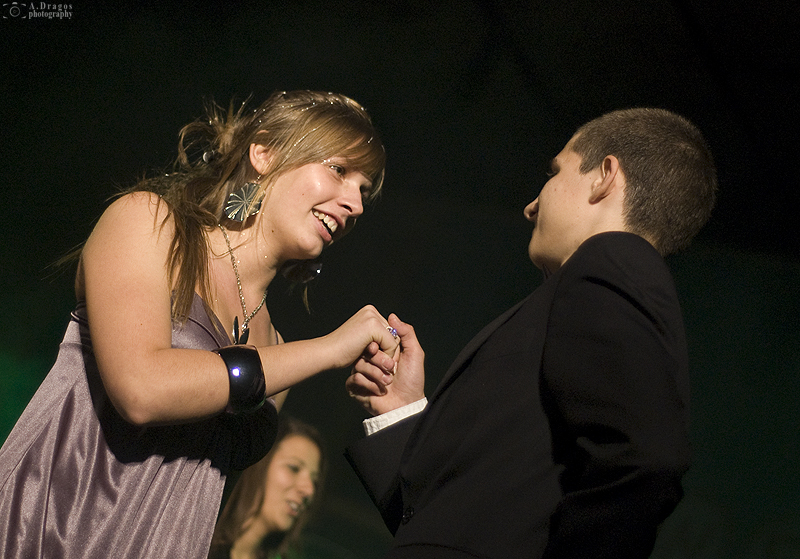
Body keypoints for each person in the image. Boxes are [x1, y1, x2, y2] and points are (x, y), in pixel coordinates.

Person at [0, 90, 398, 559]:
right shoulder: (149, 223)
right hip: (49, 537)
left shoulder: (275, 346)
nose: (355, 203)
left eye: (364, 191)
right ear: (264, 153)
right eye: (339, 170)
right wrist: (328, 349)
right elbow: (141, 389)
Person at [345, 108, 717, 558]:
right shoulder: (592, 287)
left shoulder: (612, 263)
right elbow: (452, 522)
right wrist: (401, 413)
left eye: (555, 172)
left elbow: (648, 459)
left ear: (605, 176)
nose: (531, 206)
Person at [208, 416, 325, 559]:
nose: (309, 490)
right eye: (294, 468)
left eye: (315, 481)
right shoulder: (196, 540)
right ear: (257, 464)